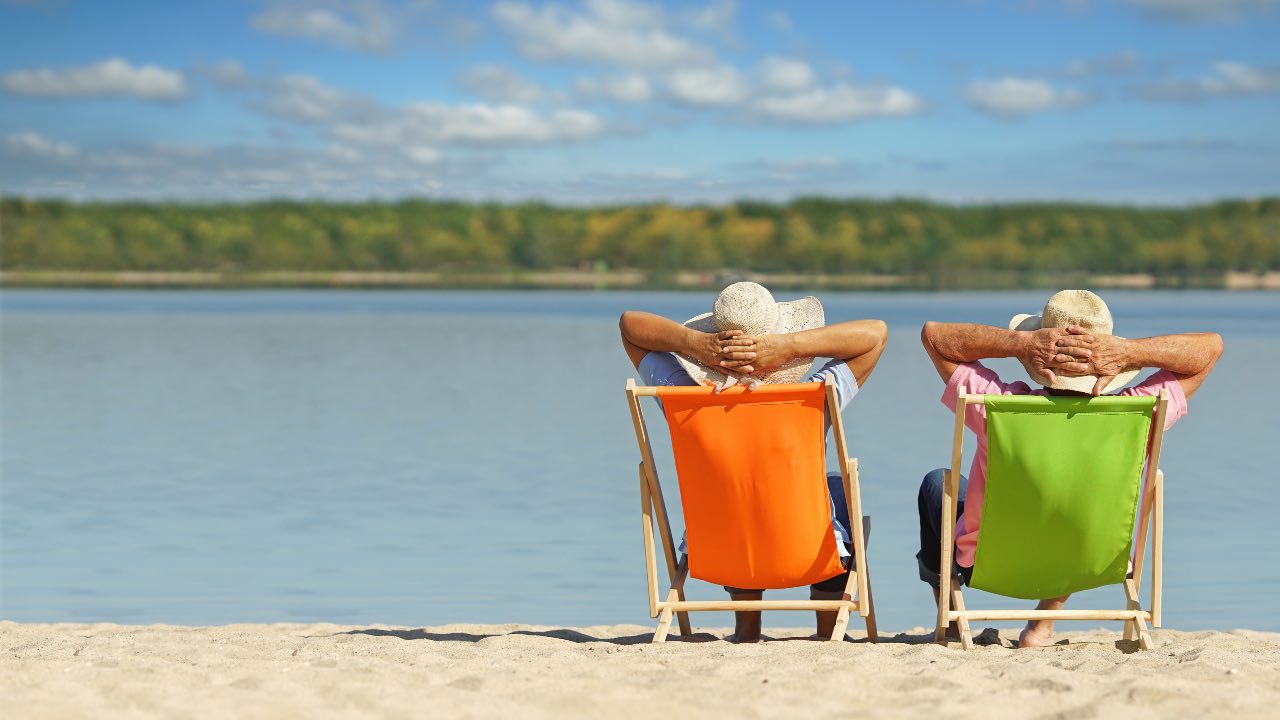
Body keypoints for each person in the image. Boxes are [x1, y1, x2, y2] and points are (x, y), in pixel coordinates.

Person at [917, 289, 1223, 648]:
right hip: (1091, 561)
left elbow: (934, 337)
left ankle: (952, 624)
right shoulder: (1138, 417)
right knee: (1078, 508)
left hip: (987, 563)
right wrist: (1130, 352)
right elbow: (1211, 348)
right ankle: (1042, 624)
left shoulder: (996, 410)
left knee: (938, 484)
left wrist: (1020, 343)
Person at [619, 281, 888, 642]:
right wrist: (789, 346)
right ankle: (827, 629)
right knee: (837, 487)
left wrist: (695, 345)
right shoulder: (812, 400)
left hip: (719, 549)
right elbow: (875, 335)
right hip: (804, 548)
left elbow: (630, 327)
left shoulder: (683, 400)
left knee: (733, 495)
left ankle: (746, 627)